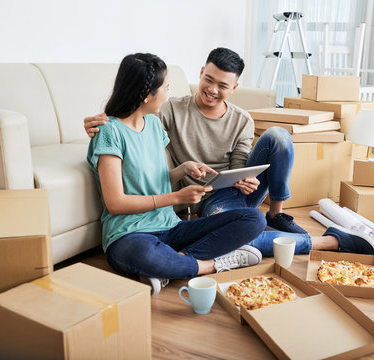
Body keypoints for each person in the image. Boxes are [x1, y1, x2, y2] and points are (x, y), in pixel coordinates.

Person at [85, 47, 374, 258]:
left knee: (278, 135)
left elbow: (241, 164)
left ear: (234, 87)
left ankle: (277, 213)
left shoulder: (241, 119)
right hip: (207, 198)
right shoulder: (169, 109)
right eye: (208, 79)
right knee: (241, 232)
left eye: (222, 85)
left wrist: (244, 180)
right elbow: (132, 117)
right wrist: (101, 120)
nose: (212, 89)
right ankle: (323, 242)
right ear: (201, 73)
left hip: (233, 191)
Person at [87, 53, 266, 296]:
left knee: (254, 219)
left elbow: (156, 182)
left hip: (170, 227)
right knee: (143, 253)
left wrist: (182, 170)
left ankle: (172, 265)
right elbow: (115, 203)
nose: (168, 94)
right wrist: (177, 198)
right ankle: (211, 265)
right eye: (165, 88)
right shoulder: (109, 132)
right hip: (131, 233)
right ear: (146, 94)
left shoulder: (152, 124)